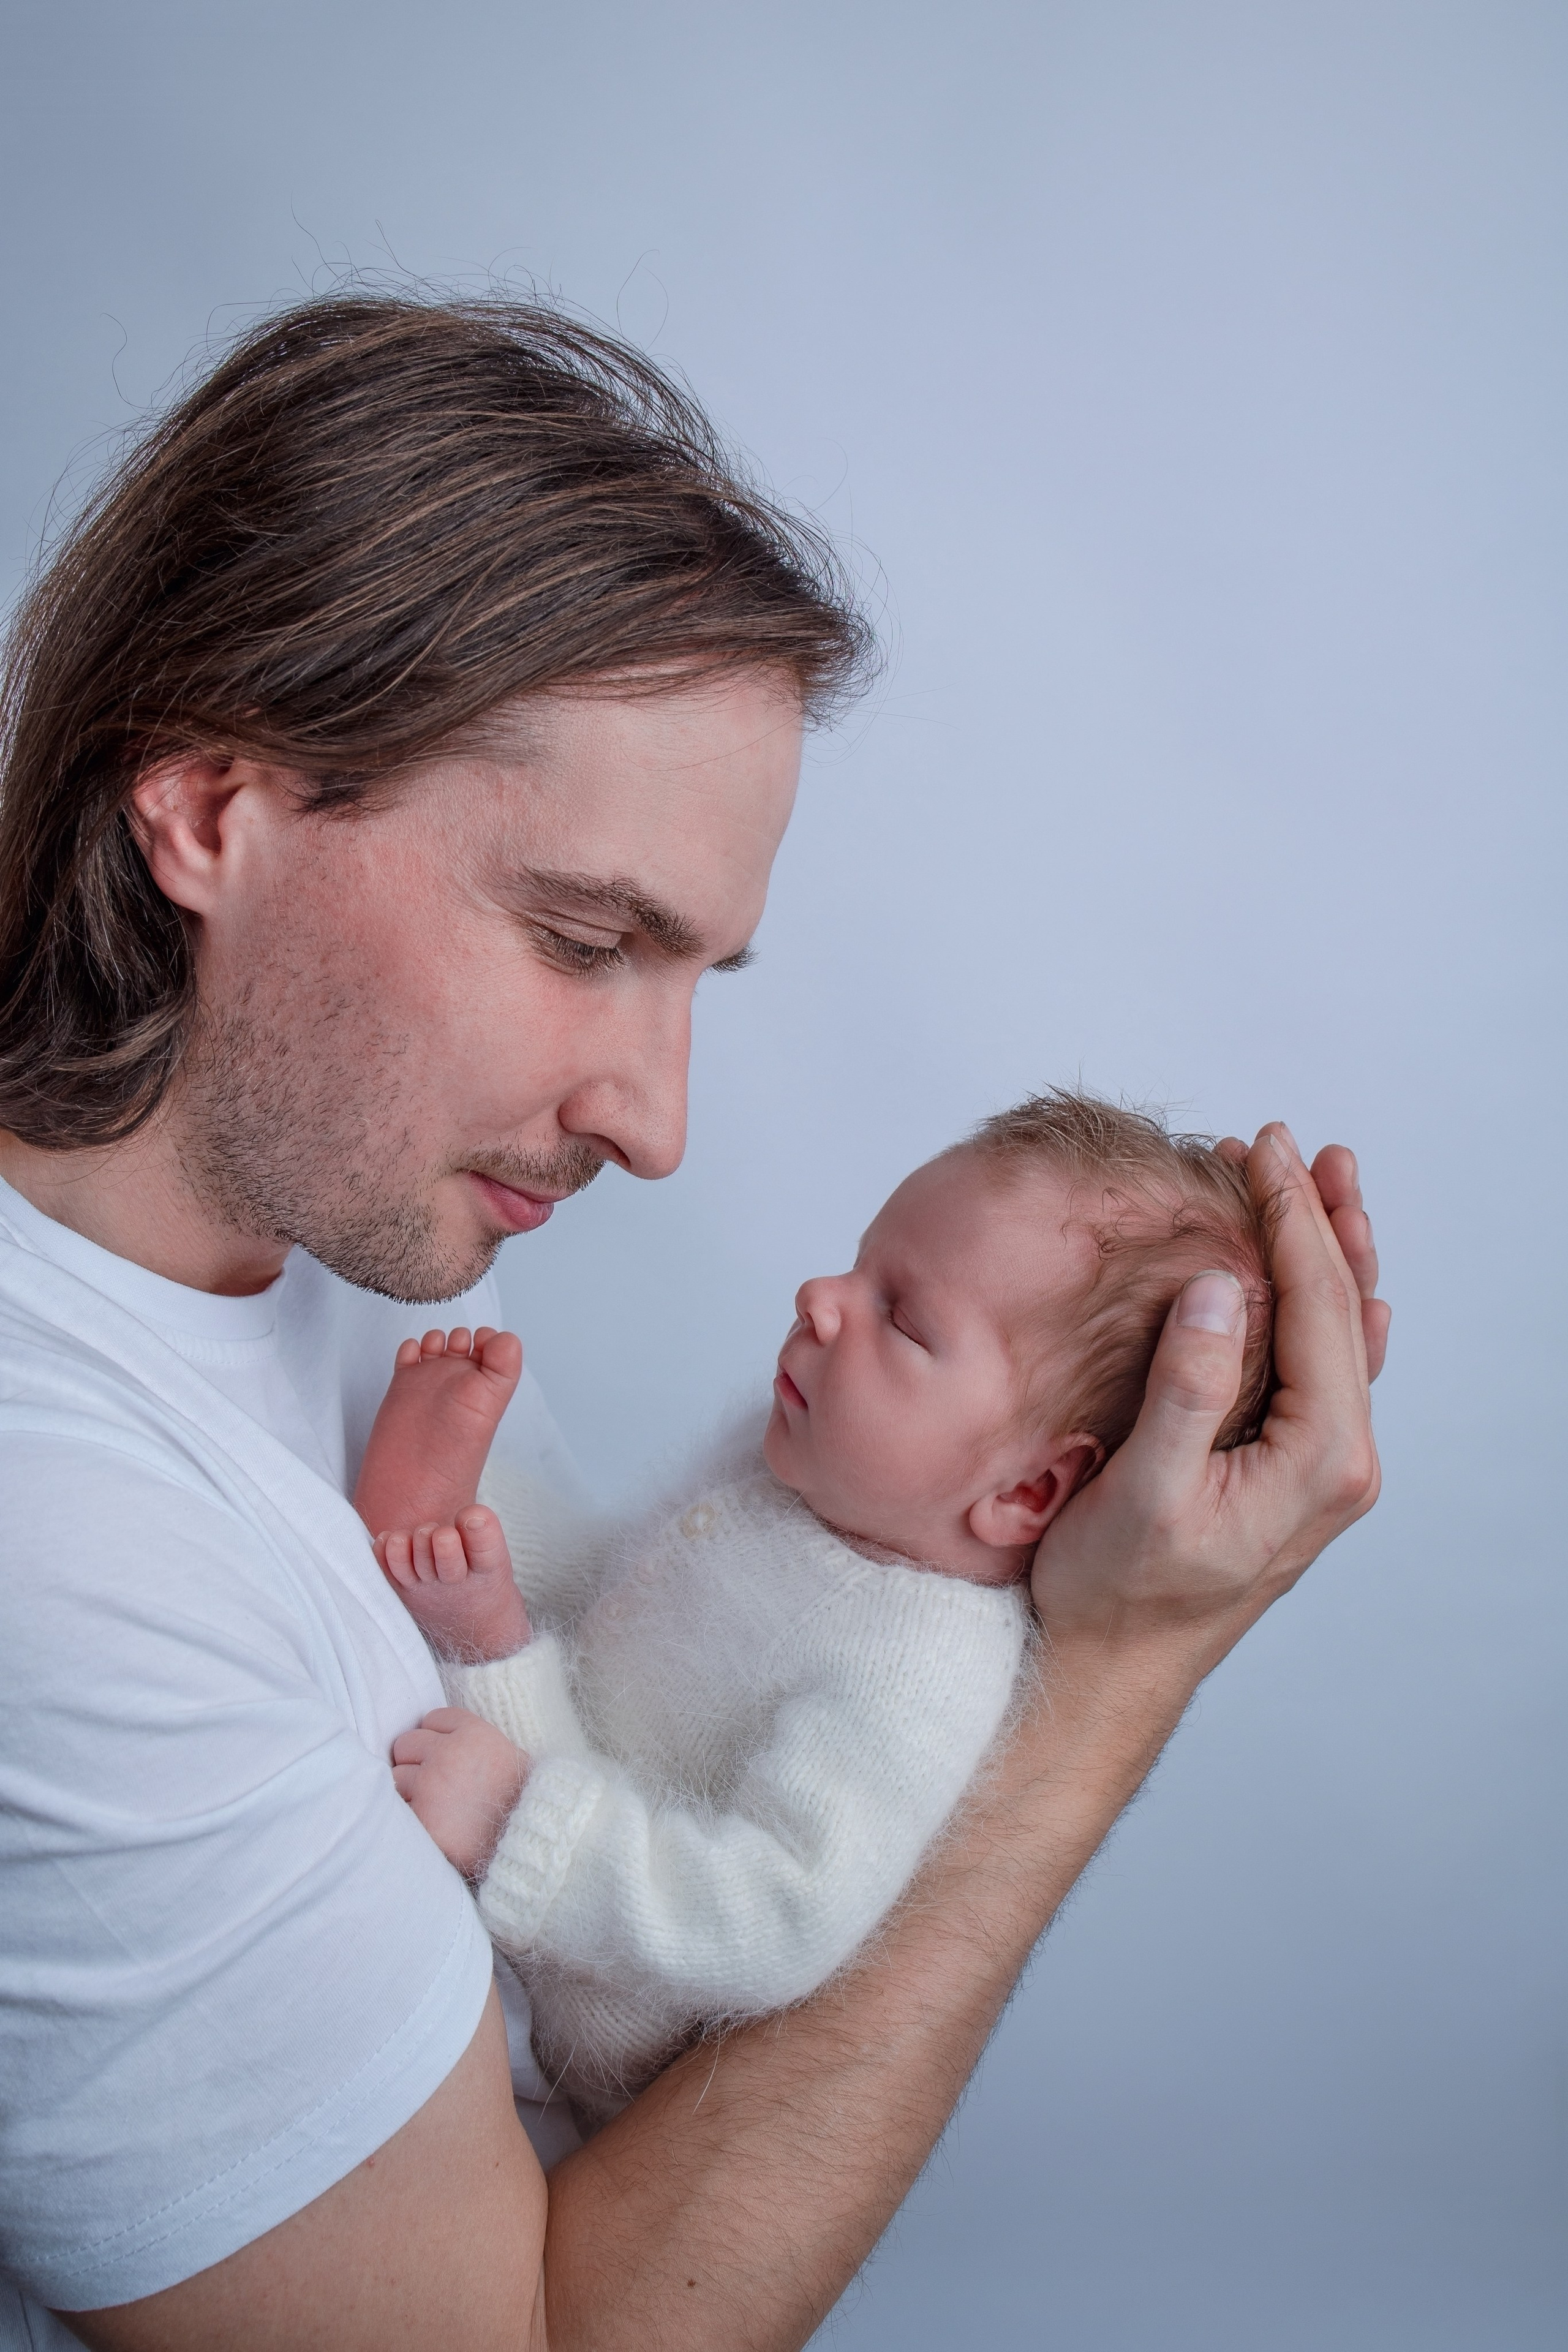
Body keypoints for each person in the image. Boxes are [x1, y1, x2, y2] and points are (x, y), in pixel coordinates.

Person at [0, 294, 1386, 2352]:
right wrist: (1117, 1676)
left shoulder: (337, 1279)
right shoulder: (64, 1553)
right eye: (583, 940)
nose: (656, 1130)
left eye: (697, 980)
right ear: (210, 814)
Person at [360, 1092, 1278, 2129]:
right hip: (599, 1747)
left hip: (617, 1994)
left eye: (903, 1318)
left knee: (495, 1644)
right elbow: (618, 1596)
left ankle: (460, 1612)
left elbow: (773, 1918)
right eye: (858, 1263)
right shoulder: (815, 1461)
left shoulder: (919, 1672)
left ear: (1027, 1493)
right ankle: (440, 1530)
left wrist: (517, 1824)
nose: (821, 1298)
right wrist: (494, 1519)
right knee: (528, 1577)